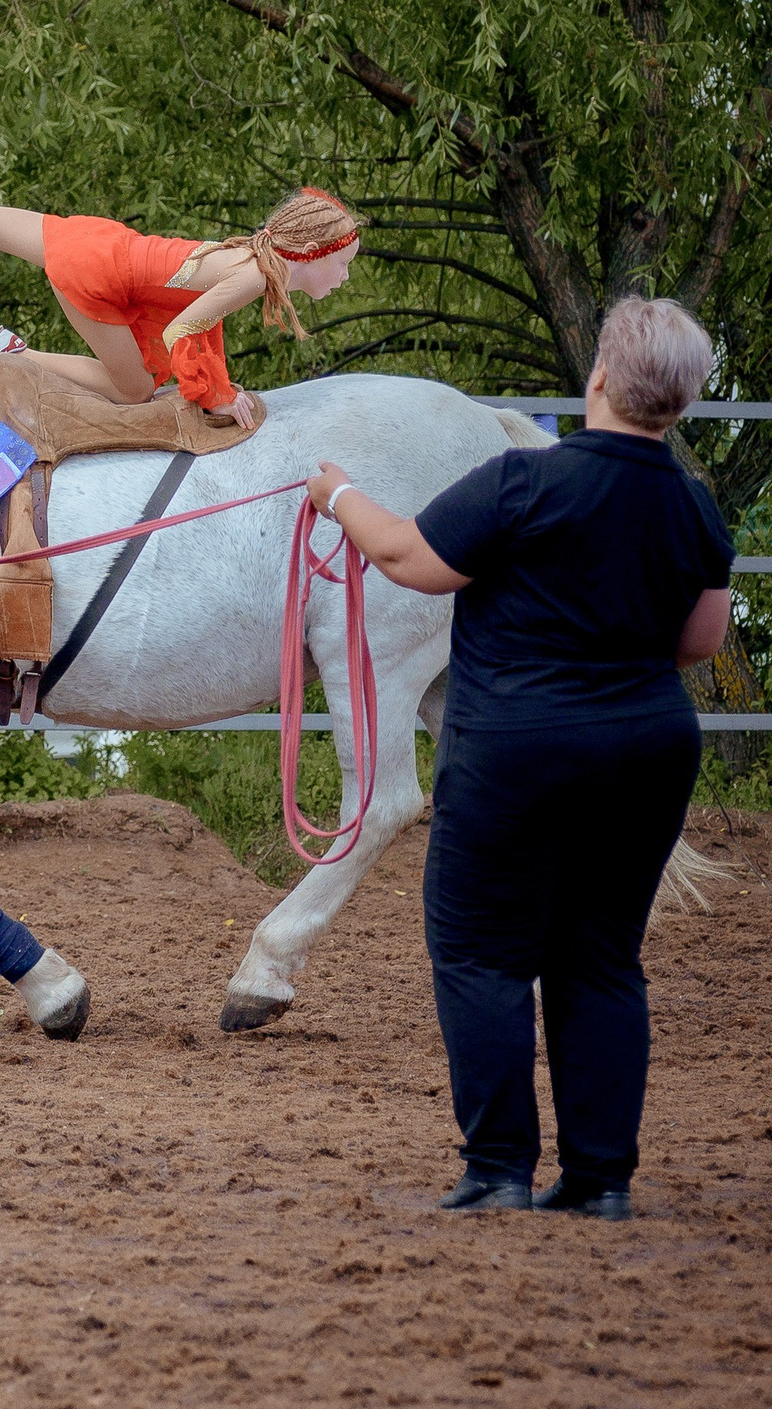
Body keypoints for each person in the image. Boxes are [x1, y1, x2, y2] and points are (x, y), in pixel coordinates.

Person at [307, 296, 733, 1220]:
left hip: (516, 749)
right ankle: (599, 1182)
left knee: (482, 955)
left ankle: (498, 1167)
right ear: (683, 402)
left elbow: (410, 560)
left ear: (601, 381)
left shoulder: (521, 483)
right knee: (603, 961)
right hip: (648, 750)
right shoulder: (692, 505)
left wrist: (336, 493)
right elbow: (701, 638)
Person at [0, 116, 361, 427]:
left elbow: (195, 319)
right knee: (135, 389)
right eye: (341, 264)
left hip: (99, 241)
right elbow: (188, 331)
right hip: (97, 275)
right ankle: (19, 356)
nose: (342, 278)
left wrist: (217, 387)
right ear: (309, 251)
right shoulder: (254, 274)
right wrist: (216, 396)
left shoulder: (248, 258)